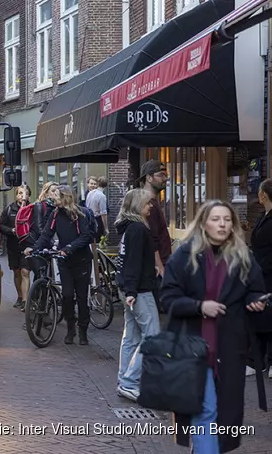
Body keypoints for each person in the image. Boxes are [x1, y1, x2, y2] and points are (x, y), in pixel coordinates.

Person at [160, 200, 268, 453]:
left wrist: (255, 302)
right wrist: (199, 306)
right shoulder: (185, 255)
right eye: (216, 219)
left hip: (229, 347)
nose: (222, 224)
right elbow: (168, 298)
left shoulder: (243, 256)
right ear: (203, 223)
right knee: (205, 409)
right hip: (192, 346)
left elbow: (255, 290)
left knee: (225, 415)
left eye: (227, 219)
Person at [26, 185, 95, 345]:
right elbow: (46, 234)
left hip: (81, 261)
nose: (52, 198)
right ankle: (71, 329)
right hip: (65, 261)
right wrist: (34, 249)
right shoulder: (55, 214)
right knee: (67, 296)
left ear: (65, 197)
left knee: (82, 297)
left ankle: (83, 330)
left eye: (55, 195)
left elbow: (86, 236)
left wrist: (69, 248)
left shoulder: (81, 214)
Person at [114, 188, 160, 402]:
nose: (151, 206)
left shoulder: (127, 229)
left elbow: (127, 261)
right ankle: (130, 382)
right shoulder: (139, 230)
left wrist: (127, 289)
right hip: (139, 291)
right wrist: (132, 291)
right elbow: (133, 262)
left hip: (128, 288)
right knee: (152, 336)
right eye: (148, 203)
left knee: (130, 337)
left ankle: (124, 381)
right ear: (138, 206)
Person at [138, 160, 172, 310]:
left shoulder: (152, 202)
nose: (165, 178)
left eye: (165, 175)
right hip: (156, 268)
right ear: (149, 178)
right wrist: (160, 266)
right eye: (161, 175)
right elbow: (152, 238)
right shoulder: (148, 205)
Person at [248, 178, 272, 379]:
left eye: (259, 192)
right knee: (259, 315)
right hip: (259, 274)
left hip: (269, 273)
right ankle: (258, 359)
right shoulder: (262, 216)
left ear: (264, 195)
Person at [0, 186, 31, 309]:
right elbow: (1, 225)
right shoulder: (9, 209)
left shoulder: (32, 209)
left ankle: (25, 300)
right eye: (20, 193)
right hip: (13, 246)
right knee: (17, 272)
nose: (23, 196)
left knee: (25, 272)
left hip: (27, 245)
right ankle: (19, 296)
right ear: (16, 195)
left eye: (26, 194)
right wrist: (11, 230)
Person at [85, 176, 108, 243]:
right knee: (98, 240)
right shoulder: (102, 196)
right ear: (105, 186)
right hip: (97, 219)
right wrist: (106, 228)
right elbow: (103, 213)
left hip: (88, 218)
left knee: (91, 240)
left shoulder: (90, 193)